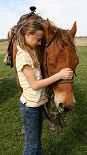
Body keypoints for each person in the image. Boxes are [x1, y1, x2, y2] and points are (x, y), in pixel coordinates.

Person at [15, 19, 73, 155]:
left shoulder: (31, 51)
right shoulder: (23, 57)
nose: (40, 43)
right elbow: (34, 85)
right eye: (39, 39)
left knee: (36, 142)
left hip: (36, 106)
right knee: (32, 145)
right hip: (30, 108)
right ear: (28, 35)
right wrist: (59, 75)